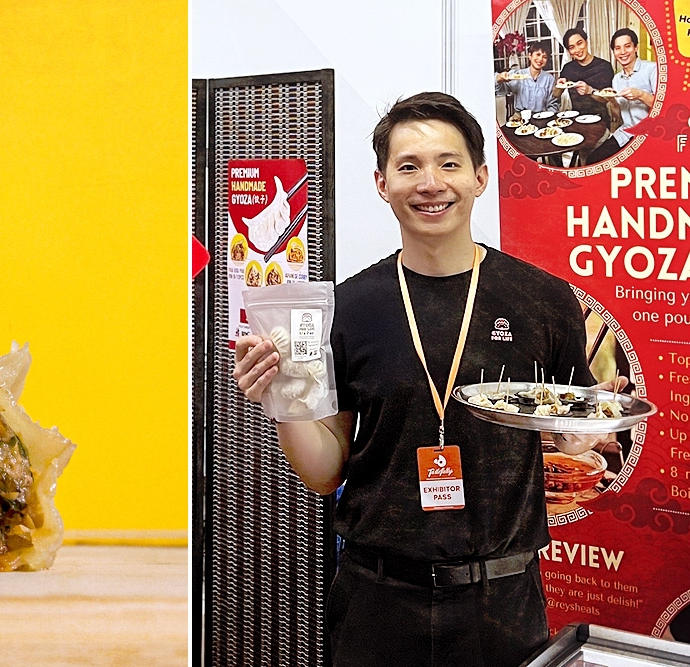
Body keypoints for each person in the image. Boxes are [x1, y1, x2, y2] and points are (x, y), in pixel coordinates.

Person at [233, 92, 623, 666]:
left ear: (480, 176)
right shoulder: (349, 307)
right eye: (408, 166)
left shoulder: (542, 298)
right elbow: (325, 471)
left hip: (503, 599)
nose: (430, 183)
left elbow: (570, 429)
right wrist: (282, 402)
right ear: (381, 182)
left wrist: (585, 433)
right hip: (378, 598)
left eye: (449, 163)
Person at [587, 27, 658, 164]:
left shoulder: (652, 69)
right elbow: (619, 116)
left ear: (636, 47)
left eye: (627, 46)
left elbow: (664, 107)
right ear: (613, 52)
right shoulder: (617, 79)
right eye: (618, 48)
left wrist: (641, 95)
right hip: (626, 133)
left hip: (649, 136)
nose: (623, 52)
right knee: (594, 160)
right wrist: (612, 101)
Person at [553, 27, 613, 116]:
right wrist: (560, 86)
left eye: (579, 43)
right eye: (572, 47)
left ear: (586, 42)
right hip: (576, 118)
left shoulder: (604, 66)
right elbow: (556, 95)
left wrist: (590, 91)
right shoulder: (568, 68)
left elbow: (607, 99)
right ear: (569, 51)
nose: (577, 50)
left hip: (600, 119)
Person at [495, 42, 559, 114]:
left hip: (541, 118)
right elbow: (499, 89)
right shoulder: (518, 75)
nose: (540, 59)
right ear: (530, 56)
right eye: (538, 54)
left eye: (544, 57)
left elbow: (553, 104)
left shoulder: (549, 79)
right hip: (520, 118)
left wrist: (548, 116)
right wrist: (499, 78)